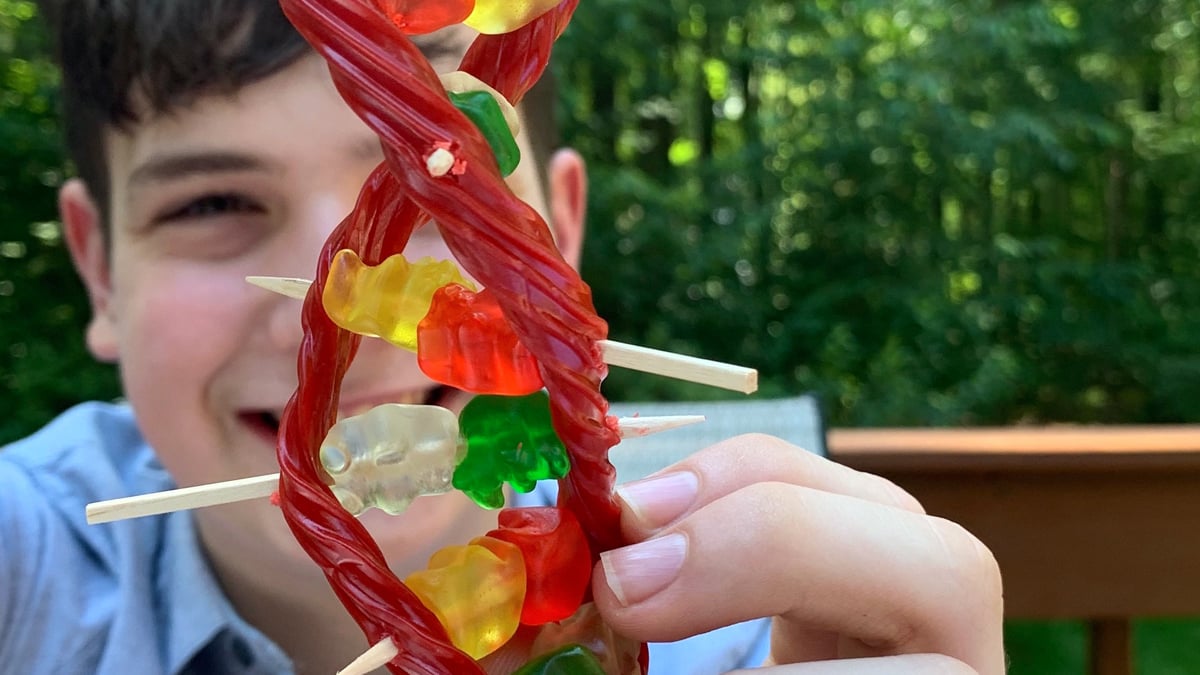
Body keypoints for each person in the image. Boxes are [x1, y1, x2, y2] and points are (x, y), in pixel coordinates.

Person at [0, 1, 1004, 673]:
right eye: (213, 201)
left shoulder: (728, 625)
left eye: (440, 180)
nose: (326, 308)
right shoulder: (28, 564)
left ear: (559, 230)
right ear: (98, 268)